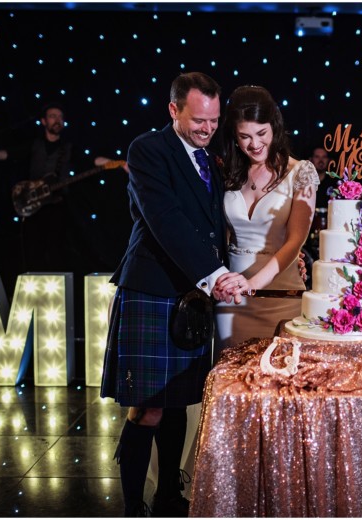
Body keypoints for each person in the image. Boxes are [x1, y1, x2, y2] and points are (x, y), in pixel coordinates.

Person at [99, 72, 236, 517]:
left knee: (178, 402)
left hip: (193, 297)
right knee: (150, 409)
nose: (208, 129)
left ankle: (169, 498)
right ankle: (133, 506)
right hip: (153, 289)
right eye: (199, 120)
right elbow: (166, 220)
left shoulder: (211, 161)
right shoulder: (147, 150)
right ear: (173, 110)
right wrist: (216, 276)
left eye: (214, 121)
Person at [212, 85, 319, 350]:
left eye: (261, 133)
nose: (255, 144)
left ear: (275, 126)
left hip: (282, 298)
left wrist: (253, 284)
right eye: (245, 136)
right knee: (229, 387)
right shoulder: (226, 172)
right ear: (234, 137)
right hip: (233, 302)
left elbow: (295, 242)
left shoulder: (300, 172)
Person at [0, 102, 121, 272]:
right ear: (44, 121)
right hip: (33, 205)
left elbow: (93, 160)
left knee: (56, 251)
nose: (57, 120)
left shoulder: (69, 148)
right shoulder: (34, 144)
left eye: (60, 117)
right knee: (32, 251)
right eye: (53, 116)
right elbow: (6, 154)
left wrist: (116, 163)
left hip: (57, 205)